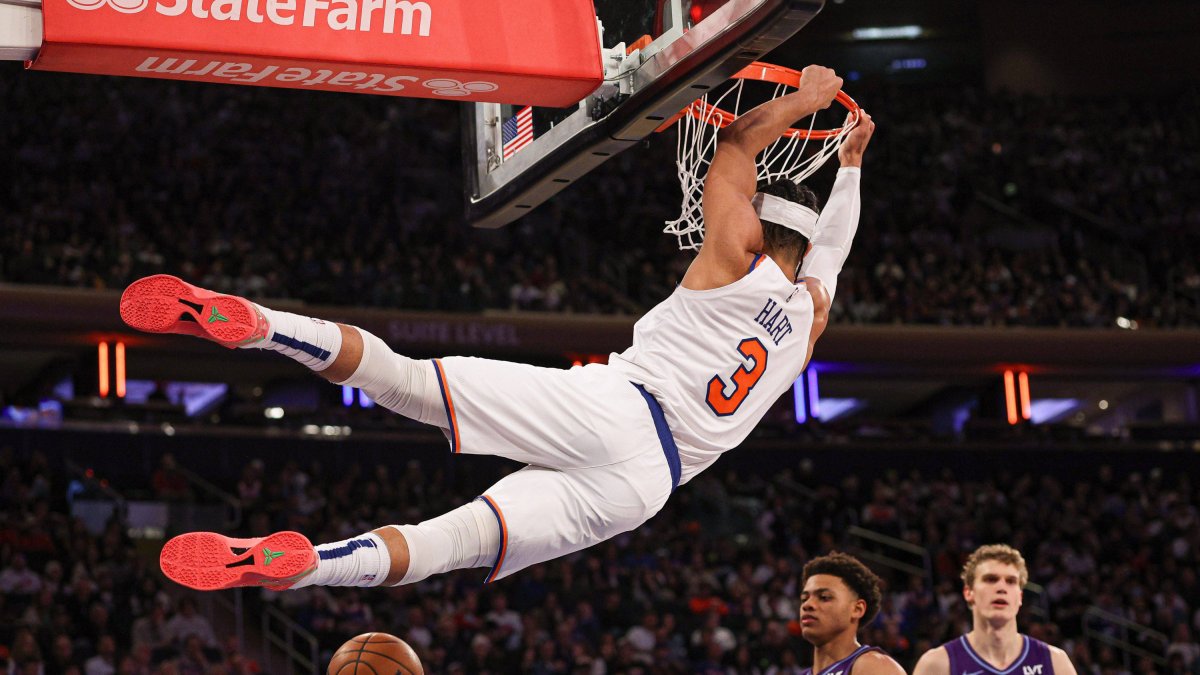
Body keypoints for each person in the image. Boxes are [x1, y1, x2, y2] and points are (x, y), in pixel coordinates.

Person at [119, 64, 875, 592]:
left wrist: (808, 100)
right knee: (453, 542)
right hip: (650, 487)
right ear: (802, 248)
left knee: (408, 381)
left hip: (623, 407)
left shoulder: (735, 255)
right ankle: (311, 564)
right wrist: (849, 170)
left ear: (757, 222)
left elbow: (740, 141)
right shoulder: (809, 315)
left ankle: (263, 327)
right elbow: (832, 253)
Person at [913, 544, 1077, 675]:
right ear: (969, 592)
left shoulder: (1055, 662)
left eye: (1011, 581)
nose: (1001, 588)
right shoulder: (937, 665)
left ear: (1019, 597)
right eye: (991, 579)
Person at [798, 553, 904, 675]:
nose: (807, 605)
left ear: (857, 609)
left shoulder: (873, 666)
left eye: (824, 597)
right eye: (804, 598)